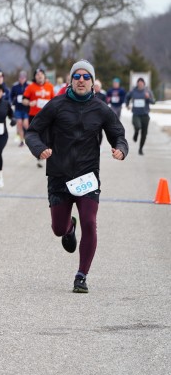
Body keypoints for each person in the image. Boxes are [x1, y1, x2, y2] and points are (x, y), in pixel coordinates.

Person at [24, 60, 127, 294]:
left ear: (93, 82)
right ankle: (69, 228)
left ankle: (81, 276)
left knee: (89, 222)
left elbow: (118, 134)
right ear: (71, 81)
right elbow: (32, 132)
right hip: (59, 175)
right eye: (77, 76)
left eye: (86, 77)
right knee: (58, 228)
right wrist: (39, 149)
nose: (81, 80)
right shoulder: (56, 105)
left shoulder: (101, 109)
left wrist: (121, 148)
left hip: (87, 176)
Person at [22, 68, 54, 168]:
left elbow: (54, 100)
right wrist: (29, 103)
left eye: (41, 74)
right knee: (37, 135)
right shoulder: (30, 87)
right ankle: (40, 154)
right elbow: (24, 100)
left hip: (48, 115)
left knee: (47, 135)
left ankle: (46, 152)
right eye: (37, 74)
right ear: (35, 77)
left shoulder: (50, 86)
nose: (39, 76)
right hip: (34, 116)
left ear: (44, 76)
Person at [125, 77, 156, 156]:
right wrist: (127, 104)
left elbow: (153, 102)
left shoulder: (148, 91)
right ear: (137, 84)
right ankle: (136, 133)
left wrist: (148, 98)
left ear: (144, 84)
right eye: (139, 83)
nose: (140, 85)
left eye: (142, 83)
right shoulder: (133, 91)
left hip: (145, 115)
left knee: (144, 134)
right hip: (136, 114)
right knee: (137, 126)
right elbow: (127, 97)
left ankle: (140, 149)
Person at [10, 70, 30, 147]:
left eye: (23, 78)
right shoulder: (15, 86)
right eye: (20, 78)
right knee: (19, 123)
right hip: (18, 108)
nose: (22, 79)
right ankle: (22, 140)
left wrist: (28, 101)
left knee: (26, 124)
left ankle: (29, 138)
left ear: (26, 78)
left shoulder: (28, 86)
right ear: (19, 78)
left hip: (26, 109)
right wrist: (13, 101)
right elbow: (11, 96)